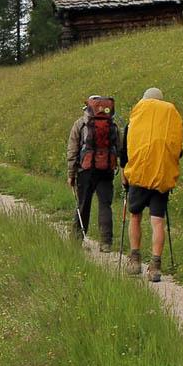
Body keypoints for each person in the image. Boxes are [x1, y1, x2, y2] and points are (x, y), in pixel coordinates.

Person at [119, 88, 183, 282]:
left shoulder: (135, 120)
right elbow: (178, 152)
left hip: (138, 174)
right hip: (162, 176)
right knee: (157, 221)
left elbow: (125, 150)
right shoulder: (170, 121)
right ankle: (155, 266)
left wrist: (124, 173)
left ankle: (135, 259)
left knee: (135, 216)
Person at [66, 95, 121, 250]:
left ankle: (76, 241)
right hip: (106, 169)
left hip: (86, 170)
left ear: (88, 107)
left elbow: (72, 150)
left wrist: (71, 173)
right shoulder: (112, 125)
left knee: (83, 204)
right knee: (105, 204)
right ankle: (106, 243)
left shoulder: (81, 124)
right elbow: (119, 147)